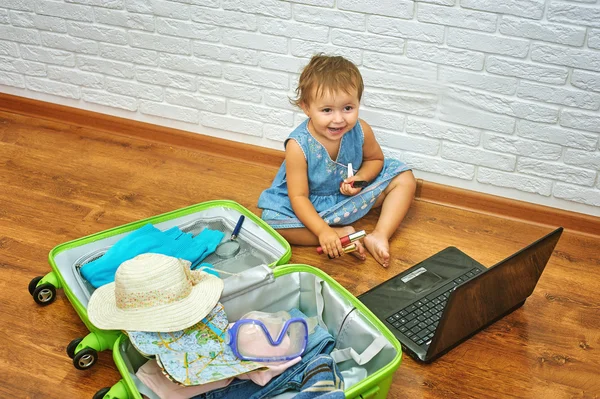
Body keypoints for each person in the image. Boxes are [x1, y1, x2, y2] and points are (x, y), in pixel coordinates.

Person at [257, 54, 416, 268]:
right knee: (271, 224)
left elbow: (376, 159)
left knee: (404, 177)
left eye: (348, 108)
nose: (339, 119)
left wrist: (360, 179)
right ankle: (339, 234)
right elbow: (298, 196)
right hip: (310, 204)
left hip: (347, 198)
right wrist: (323, 230)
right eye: (327, 110)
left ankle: (379, 235)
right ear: (306, 107)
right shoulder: (298, 145)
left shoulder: (360, 130)